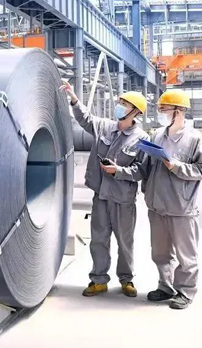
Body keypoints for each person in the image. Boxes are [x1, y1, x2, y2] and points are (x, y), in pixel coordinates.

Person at [112, 89, 202, 310]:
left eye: (164, 109)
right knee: (160, 252)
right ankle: (165, 286)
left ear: (179, 111)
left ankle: (185, 291)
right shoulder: (157, 135)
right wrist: (124, 172)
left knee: (186, 255)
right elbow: (146, 167)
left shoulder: (194, 139)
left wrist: (177, 167)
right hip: (157, 205)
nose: (161, 113)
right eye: (160, 109)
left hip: (181, 207)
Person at [60, 80, 148, 298]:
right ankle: (99, 280)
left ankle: (126, 280)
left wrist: (118, 171)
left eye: (125, 104)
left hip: (123, 199)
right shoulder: (105, 127)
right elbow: (86, 119)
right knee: (99, 239)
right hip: (101, 196)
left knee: (125, 241)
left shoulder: (142, 139)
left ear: (135, 112)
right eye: (120, 102)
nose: (120, 106)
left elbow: (141, 170)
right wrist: (73, 98)